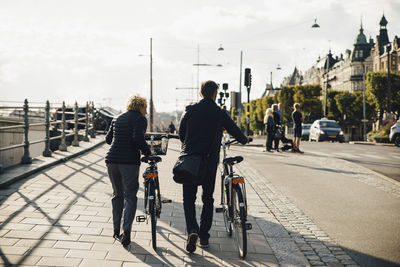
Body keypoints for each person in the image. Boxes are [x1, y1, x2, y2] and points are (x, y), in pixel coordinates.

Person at [179, 80, 249, 253]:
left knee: (189, 199)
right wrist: (244, 139)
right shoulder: (220, 113)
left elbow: (181, 133)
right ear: (215, 94)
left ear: (201, 93)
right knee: (207, 199)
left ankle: (192, 230)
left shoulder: (190, 109)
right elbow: (236, 132)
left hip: (189, 161)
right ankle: (203, 236)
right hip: (209, 162)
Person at [105, 95, 151, 247]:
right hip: (129, 162)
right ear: (141, 106)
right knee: (130, 196)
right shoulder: (140, 119)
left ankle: (116, 230)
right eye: (146, 107)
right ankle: (127, 232)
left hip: (111, 160)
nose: (146, 110)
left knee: (117, 195)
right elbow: (137, 137)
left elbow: (108, 139)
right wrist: (148, 153)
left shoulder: (117, 118)